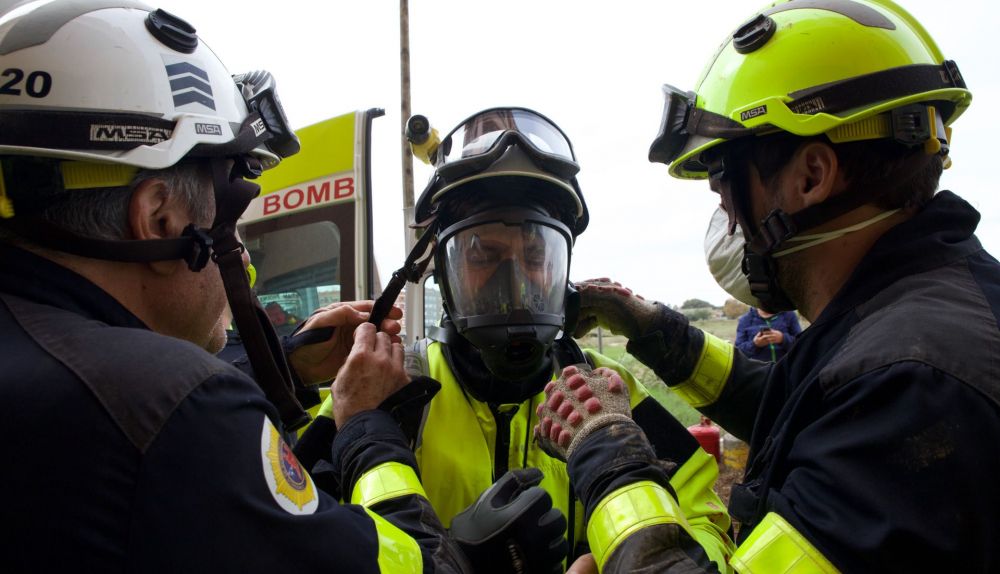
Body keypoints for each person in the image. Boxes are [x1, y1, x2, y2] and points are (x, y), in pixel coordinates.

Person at [0, 2, 470, 571]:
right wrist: (367, 425)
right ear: (161, 220)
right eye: (227, 223)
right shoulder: (178, 407)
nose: (238, 256)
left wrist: (299, 374)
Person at [556, 0, 1000, 571]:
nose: (726, 217)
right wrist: (654, 331)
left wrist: (608, 455)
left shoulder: (915, 384)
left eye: (723, 184)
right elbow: (803, 412)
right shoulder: (911, 324)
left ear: (810, 177)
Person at [297, 107, 735, 572]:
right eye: (484, 254)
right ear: (443, 272)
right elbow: (297, 535)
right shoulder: (386, 389)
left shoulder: (606, 391)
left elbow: (708, 526)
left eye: (536, 254)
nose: (517, 282)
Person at [733, 307, 801, 362]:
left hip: (787, 368)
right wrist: (755, 344)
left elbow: (801, 343)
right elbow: (738, 350)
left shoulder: (789, 315)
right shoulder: (745, 320)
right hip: (758, 371)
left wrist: (783, 338)